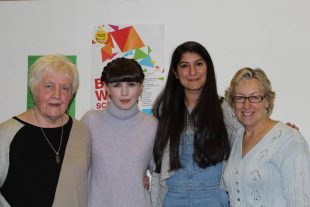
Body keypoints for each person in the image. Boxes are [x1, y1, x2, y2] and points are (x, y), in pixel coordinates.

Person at [150, 41, 239, 207]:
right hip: (172, 200)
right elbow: (147, 154)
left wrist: (277, 132)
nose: (192, 72)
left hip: (214, 199)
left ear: (208, 68)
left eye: (199, 64)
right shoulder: (163, 113)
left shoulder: (226, 110)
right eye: (185, 65)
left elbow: (251, 139)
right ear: (175, 72)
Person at [0, 54, 91, 207]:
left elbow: (91, 180)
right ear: (34, 90)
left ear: (72, 94)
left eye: (65, 88)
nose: (57, 95)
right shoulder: (7, 133)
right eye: (49, 86)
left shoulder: (82, 132)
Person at [223, 67, 310, 206]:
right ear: (233, 103)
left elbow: (301, 202)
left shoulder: (290, 141)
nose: (246, 105)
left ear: (267, 101)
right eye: (239, 97)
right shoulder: (236, 140)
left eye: (254, 97)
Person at [81, 57, 157, 207]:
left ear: (141, 87)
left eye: (131, 84)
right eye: (117, 85)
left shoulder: (152, 125)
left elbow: (162, 173)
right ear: (107, 88)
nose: (124, 92)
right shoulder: (90, 121)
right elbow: (77, 171)